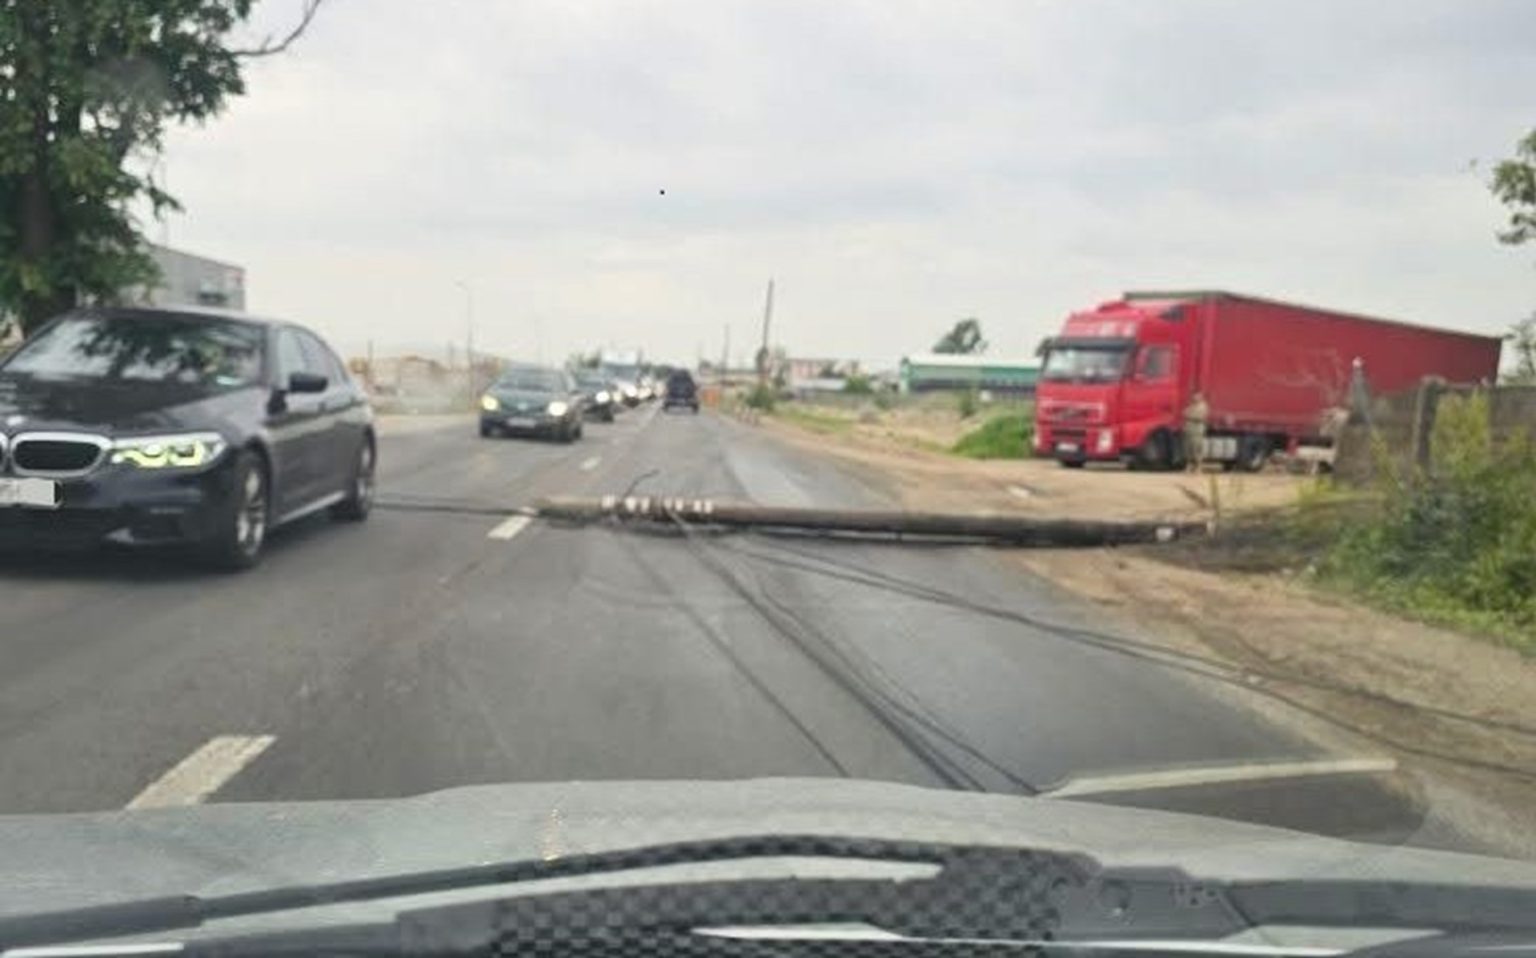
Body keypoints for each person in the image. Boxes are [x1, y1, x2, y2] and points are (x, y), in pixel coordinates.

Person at [1183, 391, 1209, 472]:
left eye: (1197, 396)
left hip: (1197, 430)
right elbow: (1184, 413)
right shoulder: (1192, 406)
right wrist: (1189, 414)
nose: (1195, 398)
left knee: (1197, 449)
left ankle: (1199, 467)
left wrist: (1189, 415)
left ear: (1201, 397)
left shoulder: (1203, 406)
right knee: (1188, 448)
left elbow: (1200, 417)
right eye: (1194, 396)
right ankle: (1189, 466)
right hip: (1189, 429)